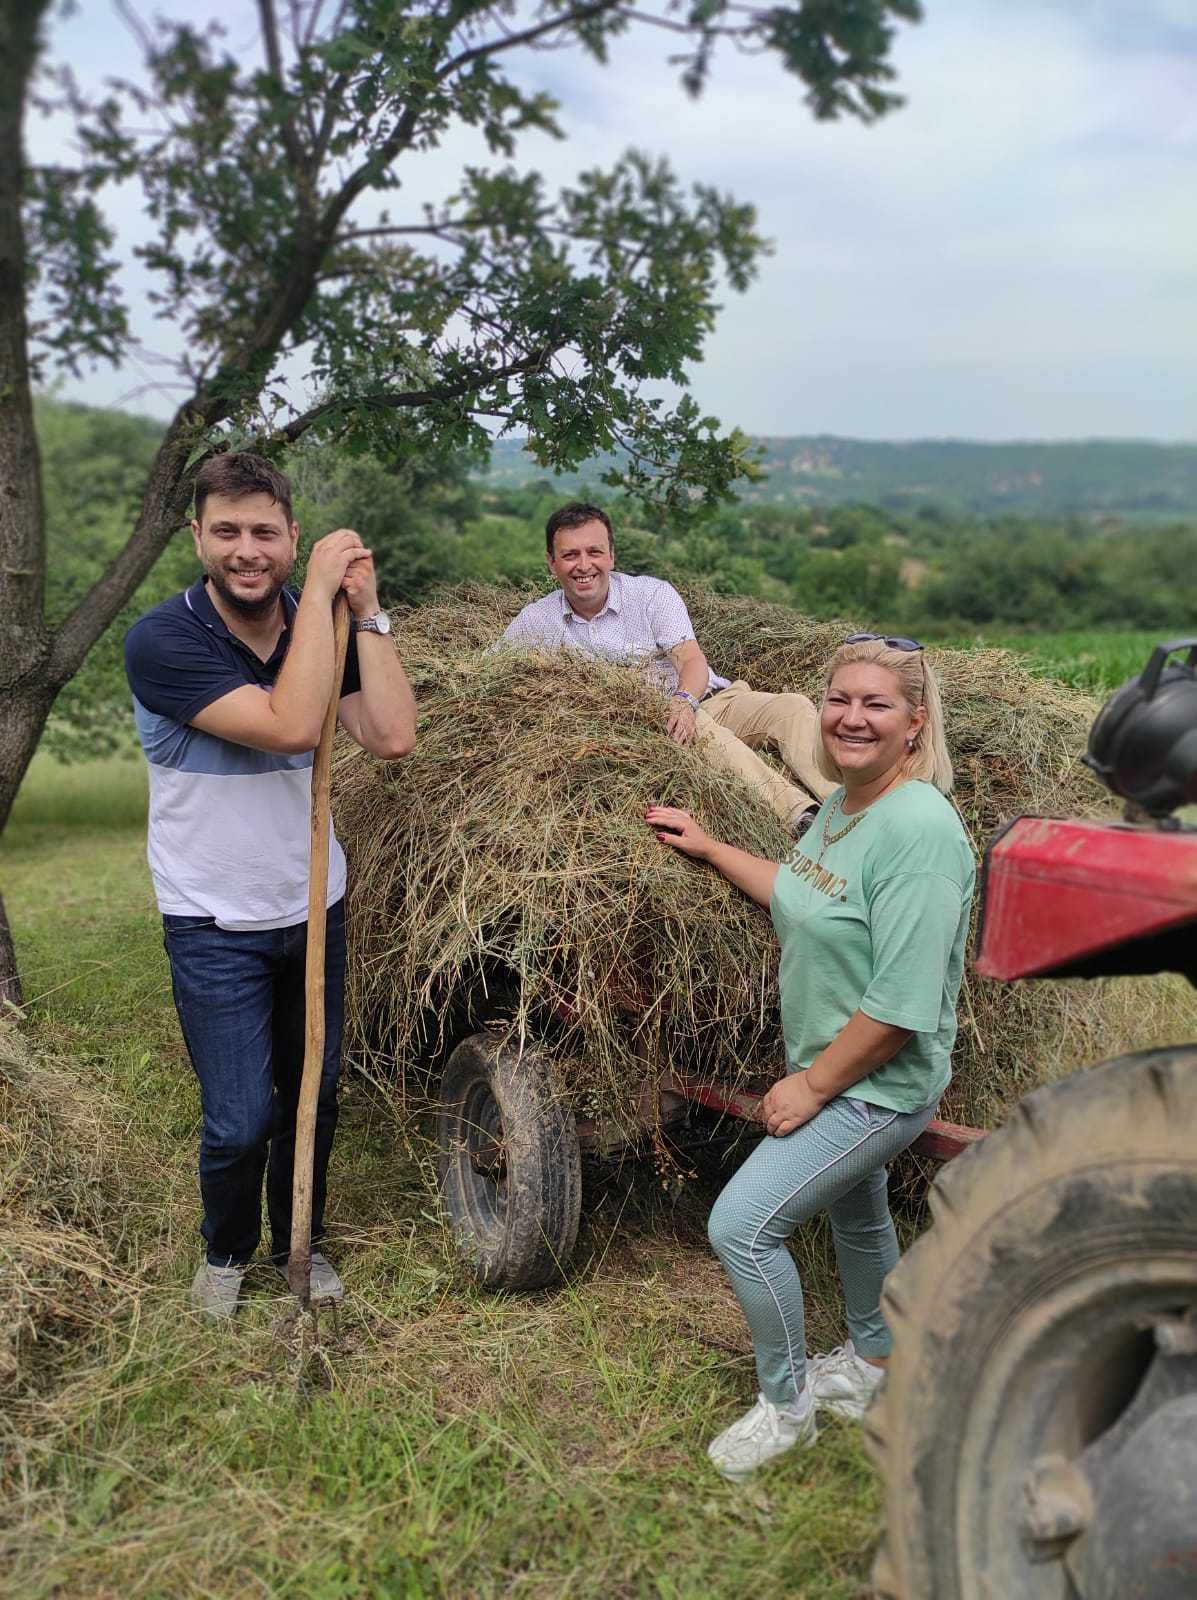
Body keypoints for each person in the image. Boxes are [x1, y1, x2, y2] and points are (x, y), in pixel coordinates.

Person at [645, 633, 974, 1480]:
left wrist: (810, 1086)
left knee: (742, 1228)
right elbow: (804, 890)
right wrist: (713, 848)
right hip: (838, 1069)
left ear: (915, 721)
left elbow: (900, 1009)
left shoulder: (917, 830)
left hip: (876, 1083)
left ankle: (784, 1405)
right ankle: (875, 1364)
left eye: (876, 704)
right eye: (839, 700)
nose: (850, 718)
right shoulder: (843, 805)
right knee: (858, 1216)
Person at [124, 451, 417, 1320]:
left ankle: (303, 1240)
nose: (245, 550)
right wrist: (323, 595)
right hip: (212, 916)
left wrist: (366, 614)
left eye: (264, 532)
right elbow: (291, 724)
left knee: (313, 1097)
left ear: (291, 536)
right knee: (240, 1117)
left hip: (314, 903)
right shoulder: (164, 640)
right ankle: (226, 1250)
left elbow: (393, 735)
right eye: (226, 532)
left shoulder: (320, 624)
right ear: (197, 538)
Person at [499, 503, 834, 832]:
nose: (584, 565)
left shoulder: (650, 594)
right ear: (551, 562)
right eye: (570, 555)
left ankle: (849, 803)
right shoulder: (535, 620)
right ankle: (803, 818)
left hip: (706, 698)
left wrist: (684, 700)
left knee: (791, 706)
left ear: (612, 556)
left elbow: (690, 659)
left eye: (594, 552)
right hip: (656, 721)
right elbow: (487, 673)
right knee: (697, 730)